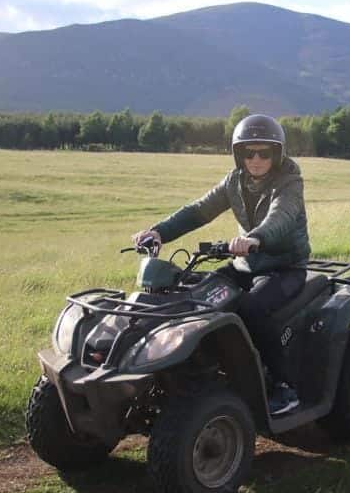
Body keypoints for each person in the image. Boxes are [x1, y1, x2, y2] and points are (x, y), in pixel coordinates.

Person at [132, 114, 310, 415]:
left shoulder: (289, 182)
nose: (255, 159)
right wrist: (159, 231)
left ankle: (283, 385)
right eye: (248, 152)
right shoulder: (235, 181)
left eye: (264, 152)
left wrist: (254, 239)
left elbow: (281, 217)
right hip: (245, 265)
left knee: (252, 309)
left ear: (276, 153)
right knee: (199, 294)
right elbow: (199, 210)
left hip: (284, 268)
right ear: (238, 154)